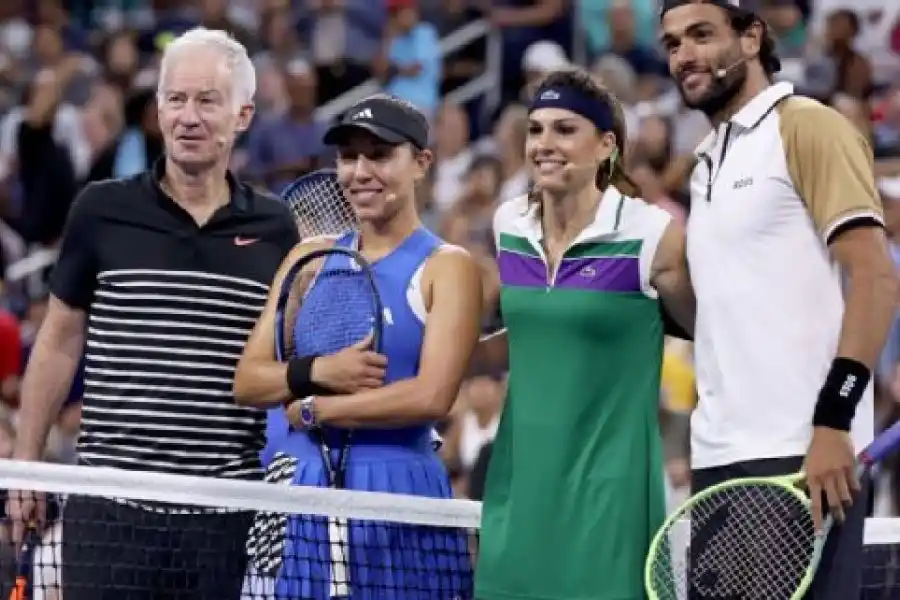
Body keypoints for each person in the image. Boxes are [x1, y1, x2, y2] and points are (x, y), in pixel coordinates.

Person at [6, 27, 307, 599]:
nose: (188, 117)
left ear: (242, 115)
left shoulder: (276, 229)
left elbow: (284, 361)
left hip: (223, 517)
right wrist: (28, 466)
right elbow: (59, 340)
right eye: (175, 99)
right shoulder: (101, 208)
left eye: (206, 100)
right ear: (158, 110)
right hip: (110, 514)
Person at [660, 1, 899, 598]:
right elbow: (722, 315)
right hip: (718, 463)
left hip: (805, 456)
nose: (683, 54)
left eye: (701, 35)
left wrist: (834, 421)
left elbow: (876, 278)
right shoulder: (704, 163)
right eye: (671, 43)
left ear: (750, 38)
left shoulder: (808, 126)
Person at [232, 93, 482, 600]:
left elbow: (432, 396)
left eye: (380, 154)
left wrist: (318, 408)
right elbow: (248, 381)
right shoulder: (309, 258)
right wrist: (320, 370)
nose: (360, 171)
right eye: (349, 157)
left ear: (421, 163)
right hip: (304, 488)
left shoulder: (447, 266)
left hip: (399, 487)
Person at [472, 68, 695, 600]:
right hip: (519, 485)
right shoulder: (509, 225)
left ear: (606, 145)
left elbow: (710, 333)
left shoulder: (650, 234)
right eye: (536, 129)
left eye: (565, 129)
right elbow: (526, 336)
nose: (544, 144)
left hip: (609, 495)